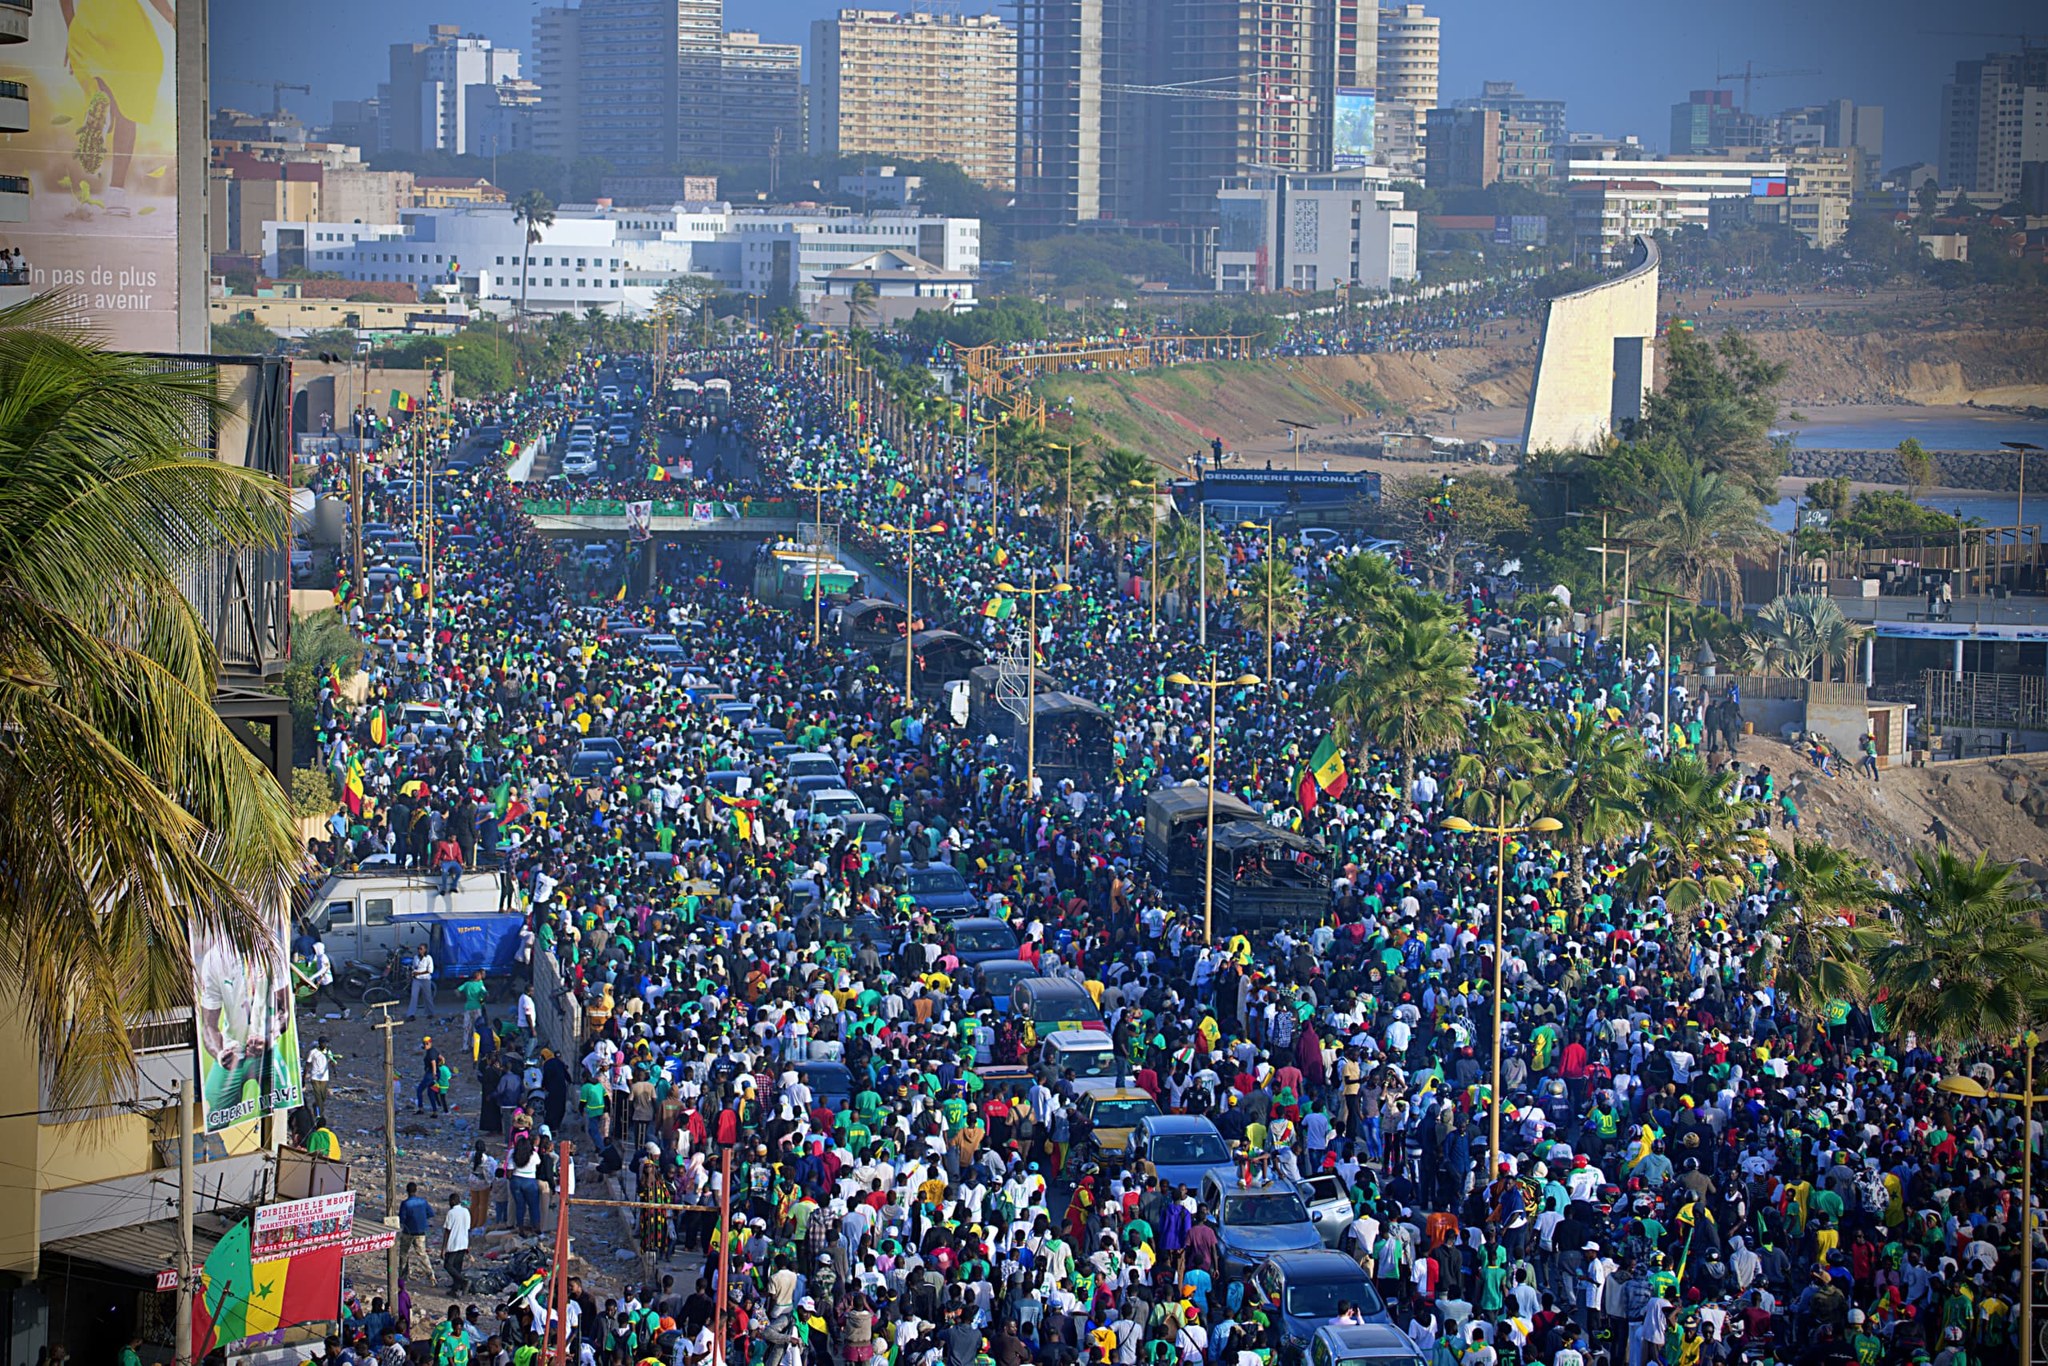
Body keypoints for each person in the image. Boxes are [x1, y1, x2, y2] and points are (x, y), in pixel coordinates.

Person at [397, 1182, 434, 1287]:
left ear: (407, 1191)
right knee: (422, 1255)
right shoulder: (423, 1202)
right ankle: (431, 1275)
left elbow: (402, 1218)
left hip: (408, 1232)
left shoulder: (405, 1204)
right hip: (421, 1232)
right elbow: (431, 1213)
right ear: (416, 1190)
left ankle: (403, 1277)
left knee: (404, 1254)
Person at [443, 1189, 472, 1293]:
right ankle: (455, 1288)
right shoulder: (466, 1211)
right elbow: (467, 1228)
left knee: (448, 1265)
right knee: (457, 1266)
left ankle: (463, 1281)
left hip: (453, 1243)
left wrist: (443, 1249)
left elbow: (447, 1231)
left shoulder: (451, 1213)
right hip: (463, 1242)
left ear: (452, 1202)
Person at [409, 943, 437, 1019]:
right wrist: (414, 973)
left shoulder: (428, 958)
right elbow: (414, 967)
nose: (419, 950)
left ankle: (430, 1012)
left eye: (421, 949)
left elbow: (430, 970)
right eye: (418, 948)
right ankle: (411, 1014)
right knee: (414, 996)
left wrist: (419, 973)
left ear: (425, 949)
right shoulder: (416, 957)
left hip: (425, 979)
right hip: (416, 979)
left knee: (427, 996)